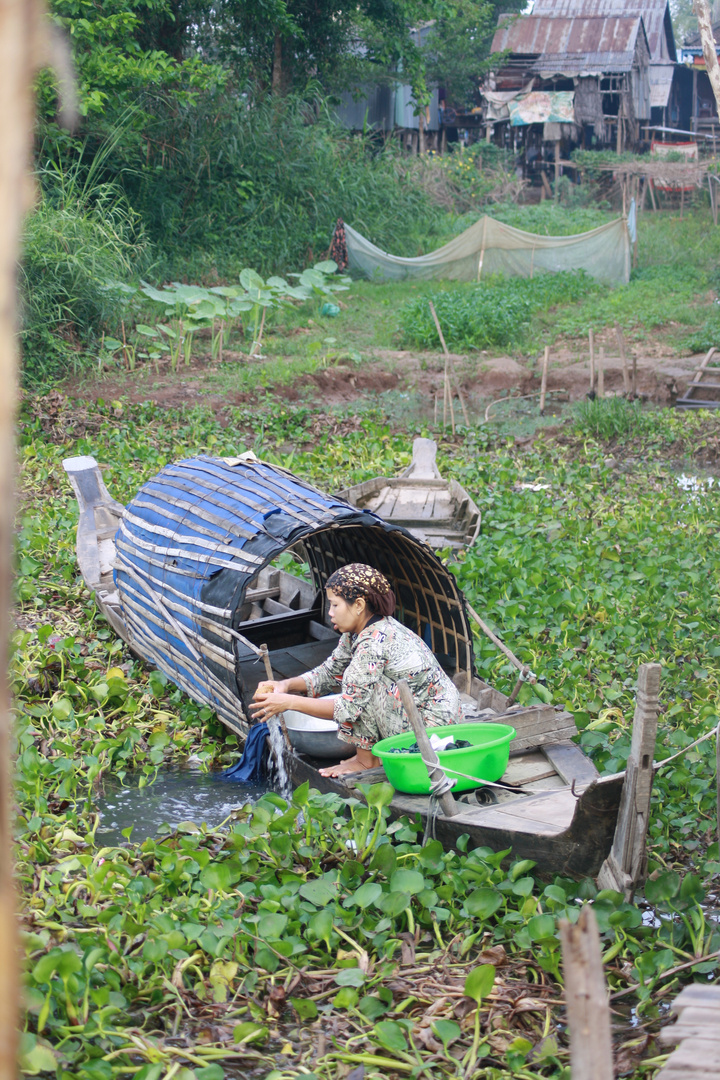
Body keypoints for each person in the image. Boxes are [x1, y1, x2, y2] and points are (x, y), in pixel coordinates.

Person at [250, 563, 463, 777]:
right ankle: (370, 755)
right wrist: (285, 685)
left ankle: (366, 761)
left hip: (433, 731)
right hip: (416, 715)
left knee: (358, 690)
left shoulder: (374, 642)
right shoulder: (357, 633)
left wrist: (289, 702)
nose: (330, 613)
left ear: (359, 605)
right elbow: (329, 671)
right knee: (357, 684)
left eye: (335, 605)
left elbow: (348, 708)